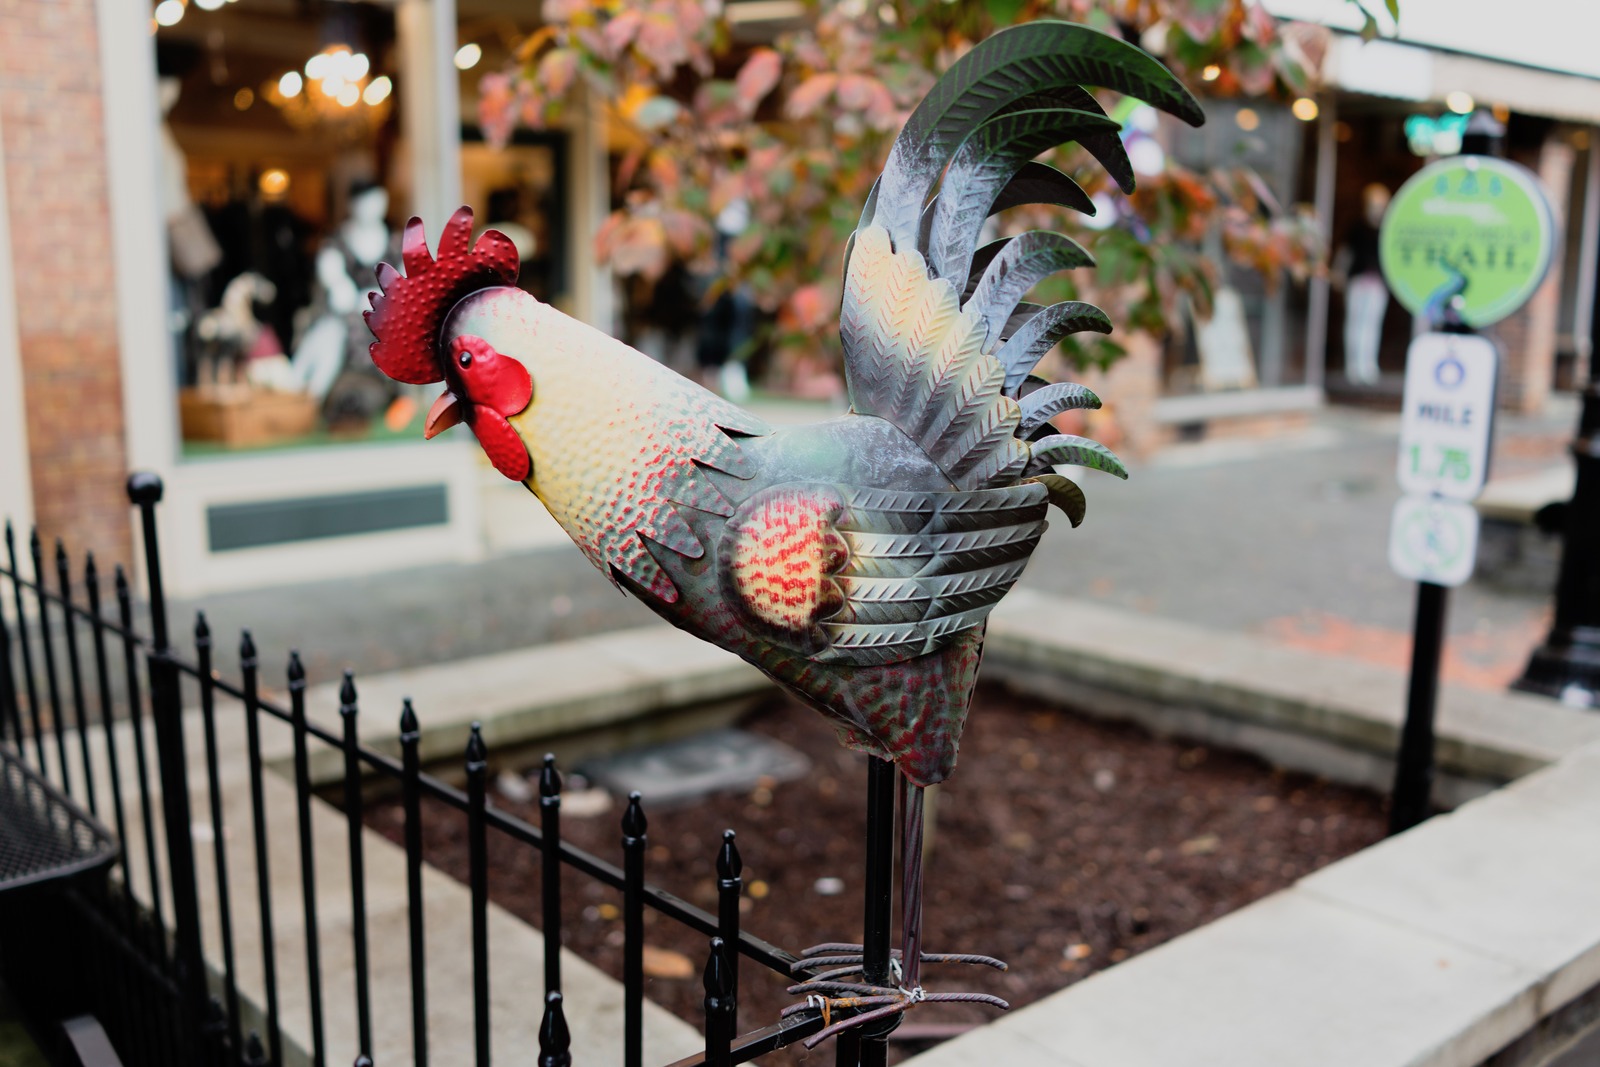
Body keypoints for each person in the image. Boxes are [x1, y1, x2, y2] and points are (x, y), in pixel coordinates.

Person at [1335, 183, 1391, 386]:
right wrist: (1340, 273)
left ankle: (1368, 366)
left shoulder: (1387, 229)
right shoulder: (1357, 226)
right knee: (1355, 324)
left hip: (1377, 284)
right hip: (1358, 281)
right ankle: (1353, 366)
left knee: (1372, 325)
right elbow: (1346, 253)